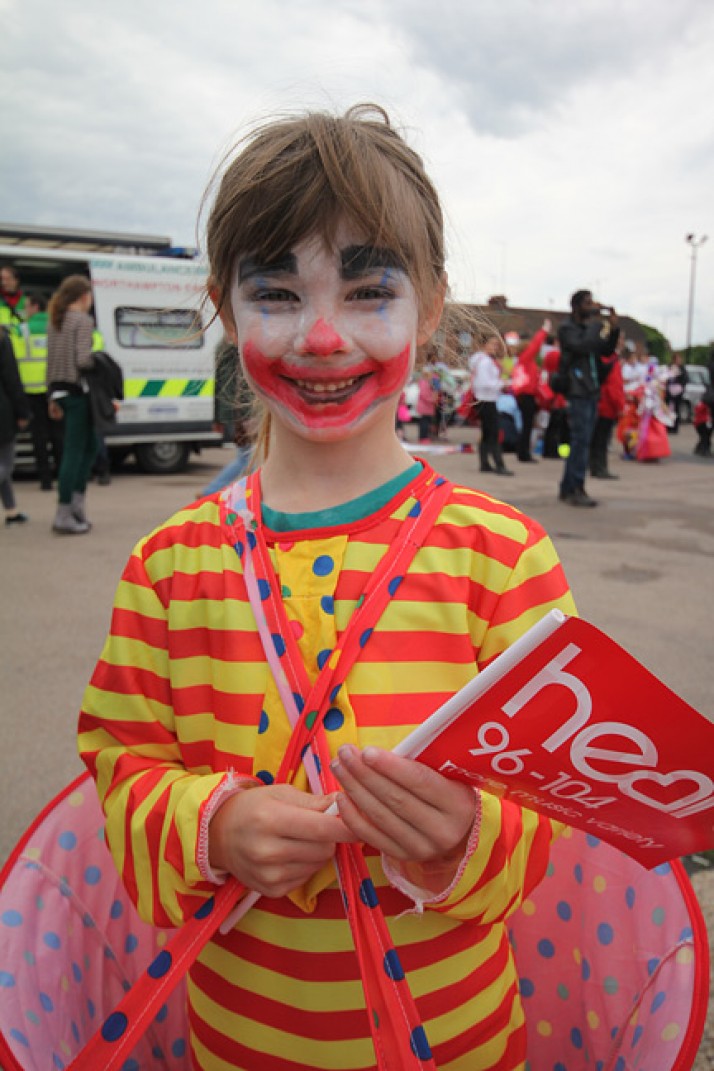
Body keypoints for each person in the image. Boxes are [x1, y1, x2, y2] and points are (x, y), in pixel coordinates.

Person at [78, 104, 576, 1071]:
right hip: (240, 1042)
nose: (319, 335)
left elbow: (550, 817)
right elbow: (119, 764)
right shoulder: (168, 567)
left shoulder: (503, 555)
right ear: (225, 309)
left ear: (430, 305)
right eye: (274, 292)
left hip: (463, 1044)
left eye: (367, 290)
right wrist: (211, 825)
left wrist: (462, 838)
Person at [557, 290, 619, 506]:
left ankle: (567, 487)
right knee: (581, 442)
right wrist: (596, 326)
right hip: (577, 390)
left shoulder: (588, 330)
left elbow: (606, 349)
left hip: (591, 390)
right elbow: (581, 345)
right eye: (587, 303)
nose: (592, 306)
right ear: (576, 306)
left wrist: (613, 328)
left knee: (581, 441)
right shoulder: (568, 329)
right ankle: (576, 488)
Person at [46, 275, 99, 534]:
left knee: (86, 447)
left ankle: (75, 507)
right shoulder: (83, 320)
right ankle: (66, 511)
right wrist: (99, 360)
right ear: (83, 296)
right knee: (76, 451)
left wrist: (50, 397)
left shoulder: (55, 320)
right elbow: (83, 361)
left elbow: (50, 361)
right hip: (78, 393)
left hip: (59, 391)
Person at [9, 291, 63, 490]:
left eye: (27, 306)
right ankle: (61, 475)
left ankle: (45, 480)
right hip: (54, 388)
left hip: (30, 391)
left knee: (39, 437)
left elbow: (11, 359)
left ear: (35, 307)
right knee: (58, 435)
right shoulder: (56, 327)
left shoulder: (20, 330)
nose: (25, 310)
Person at [469, 334, 513, 475]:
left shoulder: (479, 360)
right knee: (493, 434)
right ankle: (499, 464)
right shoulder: (485, 361)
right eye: (493, 344)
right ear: (484, 345)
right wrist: (502, 383)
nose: (495, 347)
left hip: (483, 399)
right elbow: (484, 382)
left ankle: (485, 463)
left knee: (487, 434)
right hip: (487, 400)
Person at [0, 327, 30, 525]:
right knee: (5, 464)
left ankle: (12, 511)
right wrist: (22, 411)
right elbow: (11, 378)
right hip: (2, 410)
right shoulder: (2, 339)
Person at [510, 319, 551, 462]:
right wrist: (544, 331)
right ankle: (524, 454)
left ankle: (523, 452)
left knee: (527, 425)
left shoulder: (525, 361)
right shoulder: (526, 359)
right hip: (526, 395)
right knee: (527, 425)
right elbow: (535, 345)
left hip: (526, 395)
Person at [589, 345, 625, 479]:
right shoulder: (612, 361)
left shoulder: (599, 357)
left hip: (598, 403)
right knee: (602, 439)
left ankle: (593, 465)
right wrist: (620, 406)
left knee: (596, 438)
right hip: (607, 406)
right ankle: (600, 468)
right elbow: (614, 386)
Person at [664, 352, 688, 433]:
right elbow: (666, 378)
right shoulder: (670, 367)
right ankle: (668, 426)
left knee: (676, 410)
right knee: (669, 409)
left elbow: (684, 380)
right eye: (677, 359)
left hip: (677, 392)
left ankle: (675, 427)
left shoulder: (682, 368)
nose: (679, 360)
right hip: (669, 392)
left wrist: (680, 388)